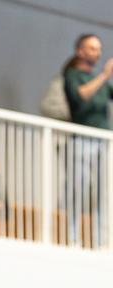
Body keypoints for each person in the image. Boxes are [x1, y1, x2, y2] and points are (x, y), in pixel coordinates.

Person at [62, 34, 113, 247]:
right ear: (80, 51)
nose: (97, 52)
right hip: (82, 140)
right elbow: (81, 95)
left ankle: (101, 240)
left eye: (98, 49)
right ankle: (72, 239)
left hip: (103, 141)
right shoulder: (73, 76)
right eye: (92, 48)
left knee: (104, 191)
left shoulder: (103, 84)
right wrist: (104, 75)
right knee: (78, 190)